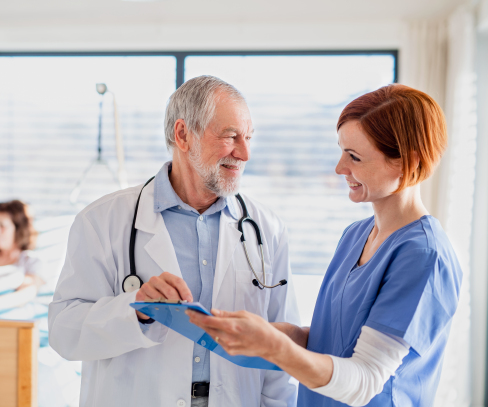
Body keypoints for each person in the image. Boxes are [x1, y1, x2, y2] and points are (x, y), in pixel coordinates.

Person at [188, 84, 462, 407]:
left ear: (407, 161)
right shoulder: (355, 236)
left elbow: (364, 381)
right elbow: (330, 342)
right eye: (342, 151)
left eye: (355, 157)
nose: (340, 168)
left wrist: (275, 347)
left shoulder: (423, 256)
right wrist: (263, 334)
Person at [48, 76, 301, 407]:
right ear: (183, 135)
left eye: (248, 138)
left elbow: (282, 353)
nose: (245, 153)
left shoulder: (267, 228)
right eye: (230, 137)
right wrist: (135, 310)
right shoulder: (102, 221)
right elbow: (64, 332)